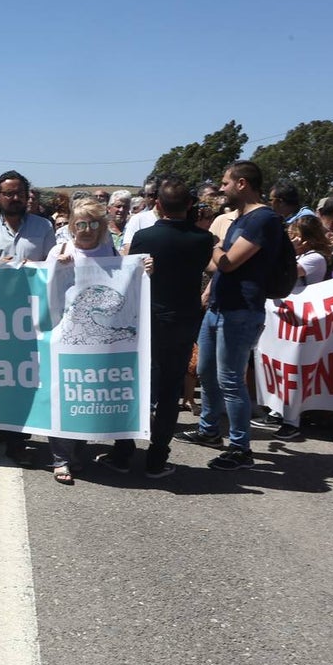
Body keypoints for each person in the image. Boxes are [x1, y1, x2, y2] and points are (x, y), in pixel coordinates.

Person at [174, 161, 281, 470]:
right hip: (218, 307)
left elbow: (229, 262)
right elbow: (217, 265)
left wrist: (210, 241)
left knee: (230, 380)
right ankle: (209, 431)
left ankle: (240, 447)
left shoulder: (262, 220)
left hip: (240, 312)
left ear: (242, 184)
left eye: (225, 183)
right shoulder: (241, 219)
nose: (221, 189)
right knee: (206, 371)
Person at [106, 177, 213, 478]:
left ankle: (123, 453)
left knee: (135, 386)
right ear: (190, 205)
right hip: (183, 322)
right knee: (169, 393)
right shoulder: (203, 240)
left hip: (148, 320)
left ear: (158, 204)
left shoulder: (145, 237)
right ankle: (156, 459)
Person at [0, 171, 54, 466]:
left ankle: (19, 438)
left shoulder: (44, 227)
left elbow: (52, 267)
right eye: (8, 193)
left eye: (19, 192)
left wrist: (32, 266)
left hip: (30, 316)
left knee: (24, 377)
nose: (14, 198)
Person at [43, 198, 117, 483]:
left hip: (96, 342)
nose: (86, 230)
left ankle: (77, 452)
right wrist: (54, 268)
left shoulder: (112, 255)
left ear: (102, 226)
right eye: (81, 224)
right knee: (61, 396)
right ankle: (60, 458)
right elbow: (39, 286)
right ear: (72, 225)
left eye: (93, 224)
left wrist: (143, 269)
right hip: (62, 336)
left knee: (87, 397)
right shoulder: (59, 250)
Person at [251, 215, 333, 441]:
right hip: (282, 318)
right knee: (275, 364)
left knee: (293, 369)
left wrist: (285, 250)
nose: (291, 239)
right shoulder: (299, 254)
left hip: (301, 322)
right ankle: (278, 411)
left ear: (307, 239)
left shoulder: (315, 258)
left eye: (296, 235)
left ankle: (292, 422)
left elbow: (286, 272)